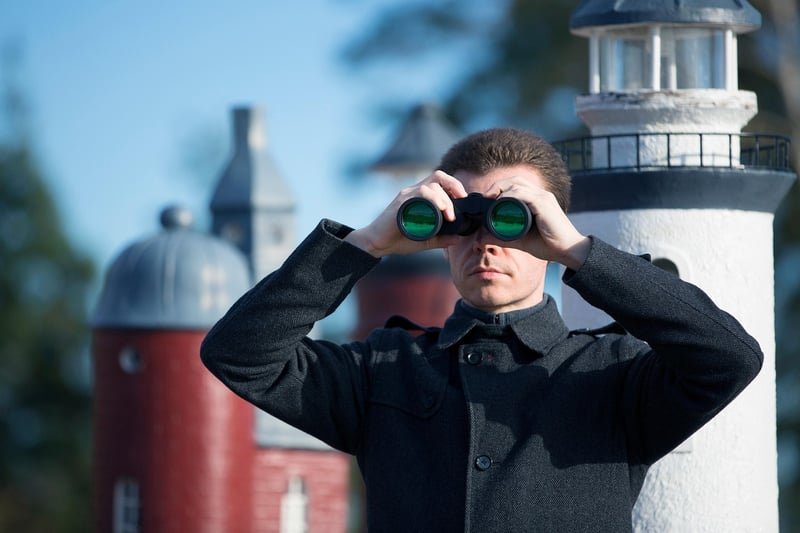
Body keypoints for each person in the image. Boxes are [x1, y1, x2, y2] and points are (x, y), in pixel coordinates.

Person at [201, 127, 763, 532]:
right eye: (465, 221)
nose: (487, 240)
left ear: (550, 226)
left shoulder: (611, 376)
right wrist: (366, 242)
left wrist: (579, 251)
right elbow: (238, 353)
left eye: (513, 219)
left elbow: (730, 357)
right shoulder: (385, 372)